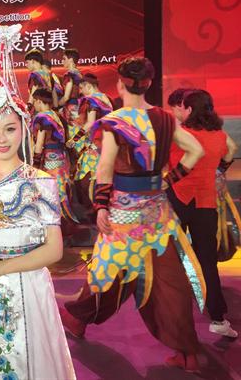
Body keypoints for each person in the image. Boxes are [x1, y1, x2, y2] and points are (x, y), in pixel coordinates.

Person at [60, 57, 206, 373]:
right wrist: (169, 178)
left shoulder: (114, 122)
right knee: (170, 281)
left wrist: (100, 206)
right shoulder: (166, 119)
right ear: (149, 84)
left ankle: (77, 319)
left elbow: (104, 169)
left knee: (107, 272)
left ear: (120, 84)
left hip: (123, 215)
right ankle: (187, 351)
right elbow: (196, 150)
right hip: (157, 215)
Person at [0, 25, 76, 380]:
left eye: (10, 128)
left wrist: (1, 269)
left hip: (29, 285)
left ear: (24, 128)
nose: (1, 138)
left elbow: (54, 250)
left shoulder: (40, 181)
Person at [166, 89, 238, 338]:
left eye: (182, 106)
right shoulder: (219, 134)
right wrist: (219, 170)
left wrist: (165, 182)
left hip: (177, 198)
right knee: (207, 260)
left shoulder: (181, 134)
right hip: (205, 202)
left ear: (189, 109)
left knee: (173, 258)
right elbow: (231, 149)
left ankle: (174, 315)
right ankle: (218, 318)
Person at [31, 89, 77, 223]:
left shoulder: (42, 117)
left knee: (49, 192)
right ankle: (65, 222)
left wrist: (35, 165)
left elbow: (39, 144)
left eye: (34, 102)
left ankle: (56, 223)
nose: (34, 105)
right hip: (62, 159)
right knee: (61, 191)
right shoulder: (56, 115)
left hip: (49, 161)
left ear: (39, 101)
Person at [72, 73, 113, 214]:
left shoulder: (92, 100)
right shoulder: (106, 99)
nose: (80, 92)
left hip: (96, 144)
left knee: (89, 178)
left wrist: (74, 140)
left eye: (82, 88)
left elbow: (90, 123)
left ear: (88, 86)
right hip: (108, 142)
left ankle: (97, 210)